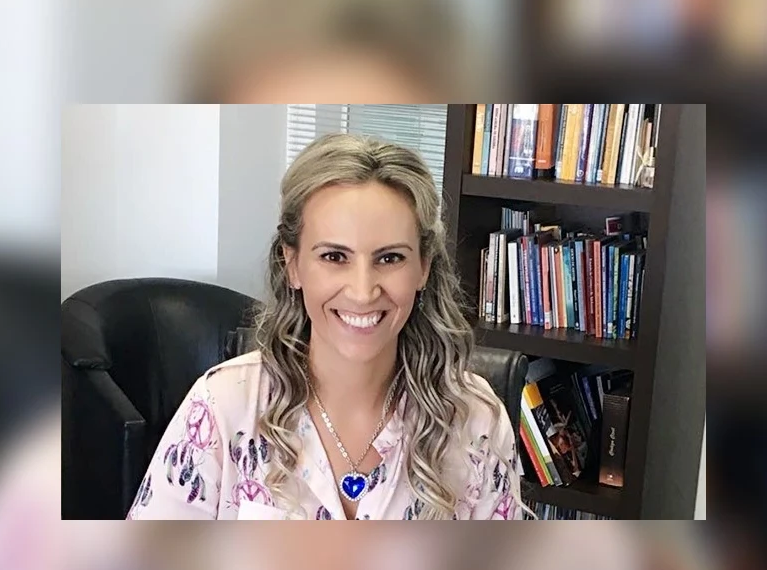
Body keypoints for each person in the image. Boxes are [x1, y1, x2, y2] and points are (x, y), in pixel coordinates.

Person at [127, 133, 521, 520]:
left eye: (390, 258)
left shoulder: (477, 421)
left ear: (424, 268)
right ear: (292, 264)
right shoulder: (221, 407)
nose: (363, 292)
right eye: (334, 256)